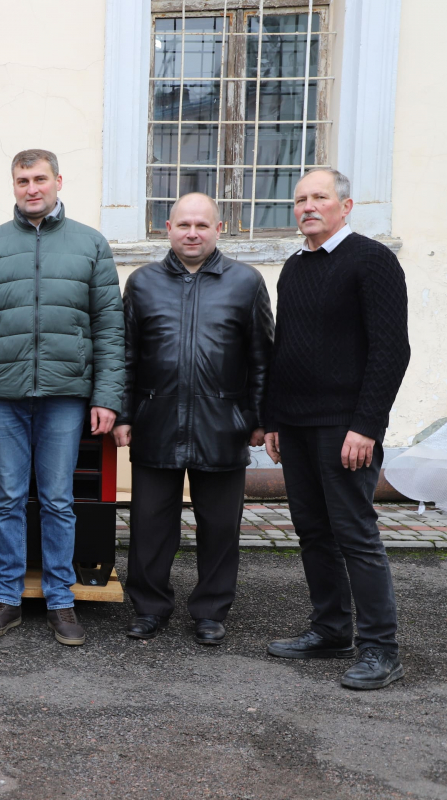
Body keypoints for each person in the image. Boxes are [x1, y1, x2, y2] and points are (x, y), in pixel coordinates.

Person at [0, 149, 124, 644]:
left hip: (66, 396)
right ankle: (5, 599)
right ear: (13, 185)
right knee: (7, 499)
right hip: (2, 397)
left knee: (57, 500)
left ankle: (61, 602)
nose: (32, 188)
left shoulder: (90, 245)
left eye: (40, 179)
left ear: (58, 182)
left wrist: (106, 397)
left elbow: (109, 329)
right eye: (23, 180)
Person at [263, 168, 410, 690]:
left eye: (319, 197)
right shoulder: (295, 267)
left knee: (356, 535)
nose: (308, 206)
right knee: (313, 533)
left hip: (346, 428)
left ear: (345, 207)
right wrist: (274, 418)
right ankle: (330, 631)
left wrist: (366, 425)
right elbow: (287, 349)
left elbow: (392, 351)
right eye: (300, 199)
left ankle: (380, 649)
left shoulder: (372, 260)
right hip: (297, 426)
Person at [113, 192, 273, 645]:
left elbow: (263, 356)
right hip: (155, 419)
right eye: (184, 225)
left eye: (202, 225)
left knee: (220, 525)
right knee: (149, 524)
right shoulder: (142, 283)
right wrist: (125, 414)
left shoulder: (246, 282)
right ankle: (149, 607)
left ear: (219, 229)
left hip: (223, 422)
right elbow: (125, 356)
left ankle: (210, 611)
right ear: (168, 228)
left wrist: (258, 417)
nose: (192, 233)